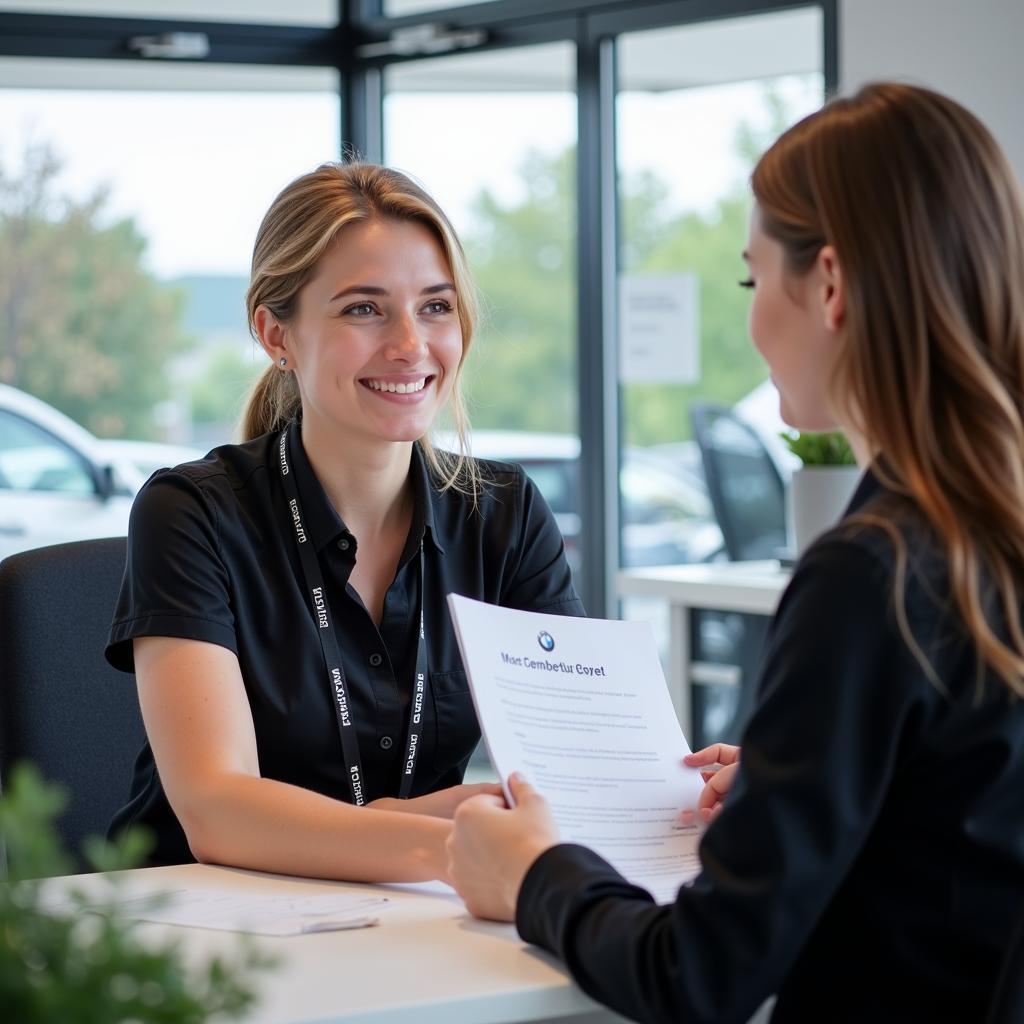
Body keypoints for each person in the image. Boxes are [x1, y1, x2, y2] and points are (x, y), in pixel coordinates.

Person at [446, 82, 1024, 1021]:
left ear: (829, 285)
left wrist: (537, 876)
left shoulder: (870, 574)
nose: (754, 324)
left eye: (756, 282)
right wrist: (803, 769)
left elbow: (698, 975)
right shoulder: (980, 540)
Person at [105, 162, 583, 879]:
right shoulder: (193, 513)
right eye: (364, 309)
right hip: (208, 936)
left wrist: (695, 786)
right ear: (276, 335)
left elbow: (578, 763)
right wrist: (455, 842)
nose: (410, 345)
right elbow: (216, 807)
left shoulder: (504, 516)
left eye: (436, 307)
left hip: (409, 917)